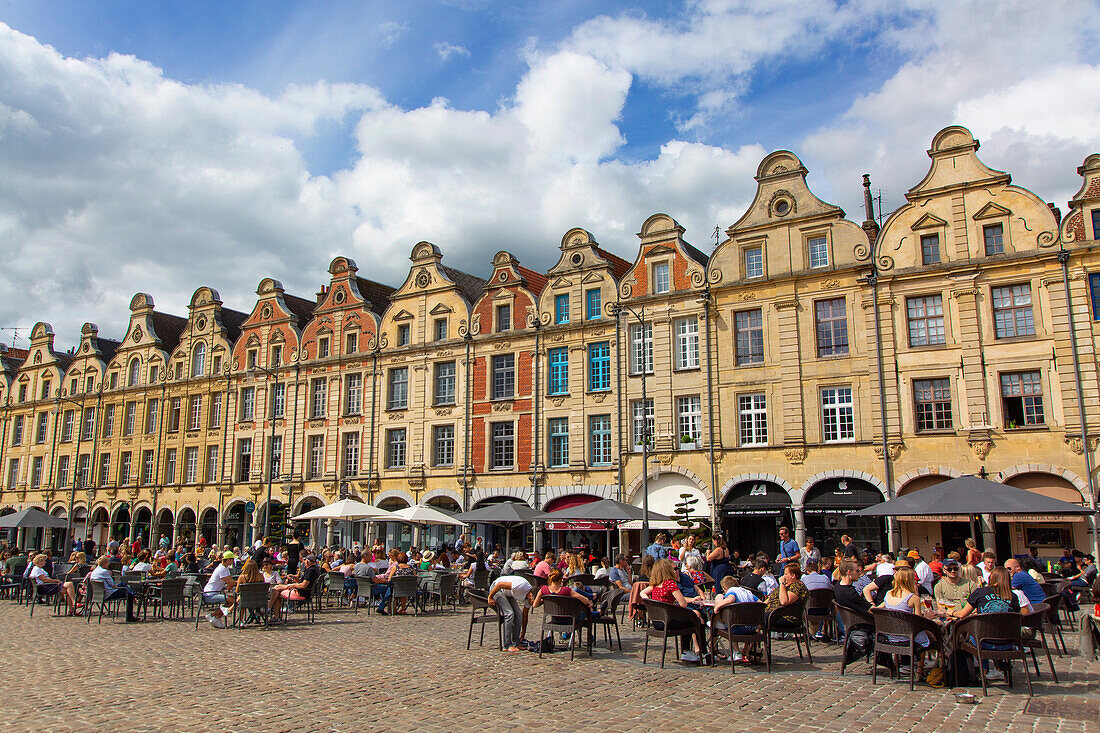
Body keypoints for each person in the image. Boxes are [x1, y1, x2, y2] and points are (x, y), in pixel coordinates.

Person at [953, 566, 1031, 681]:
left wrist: (951, 612)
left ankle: (983, 670)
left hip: (983, 643)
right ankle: (999, 667)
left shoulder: (980, 592)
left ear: (991, 577)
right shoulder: (1013, 597)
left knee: (977, 632)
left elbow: (962, 614)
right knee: (995, 630)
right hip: (1007, 642)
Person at [640, 559, 708, 663]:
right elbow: (683, 604)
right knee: (696, 620)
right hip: (669, 622)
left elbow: (642, 593)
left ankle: (688, 651)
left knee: (689, 619)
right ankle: (698, 651)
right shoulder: (670, 584)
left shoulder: (656, 585)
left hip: (657, 622)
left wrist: (649, 601)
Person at [875, 566, 933, 675]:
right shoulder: (913, 598)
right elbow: (918, 621)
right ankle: (921, 667)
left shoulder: (888, 594)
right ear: (908, 580)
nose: (916, 580)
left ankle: (905, 665)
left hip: (890, 636)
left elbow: (879, 609)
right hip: (907, 637)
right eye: (914, 578)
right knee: (930, 634)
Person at [713, 576, 762, 661]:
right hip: (752, 628)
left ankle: (736, 652)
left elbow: (730, 600)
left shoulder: (732, 591)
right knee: (737, 621)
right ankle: (746, 649)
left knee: (730, 622)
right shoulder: (747, 592)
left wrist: (717, 606)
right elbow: (760, 603)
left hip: (737, 629)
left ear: (725, 588)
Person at [487, 574, 536, 652]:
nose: (532, 604)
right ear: (531, 595)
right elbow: (499, 585)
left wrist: (523, 633)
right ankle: (507, 645)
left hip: (508, 593)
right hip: (497, 589)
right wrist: (490, 597)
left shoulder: (529, 599)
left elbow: (524, 615)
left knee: (518, 614)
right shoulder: (521, 586)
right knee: (509, 614)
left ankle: (516, 642)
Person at [87, 555, 139, 621]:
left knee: (123, 584)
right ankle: (129, 616)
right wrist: (118, 588)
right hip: (108, 593)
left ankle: (134, 593)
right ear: (105, 563)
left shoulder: (95, 571)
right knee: (129, 595)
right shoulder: (104, 572)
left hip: (99, 593)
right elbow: (112, 585)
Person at [203, 551, 239, 628]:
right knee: (234, 601)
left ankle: (216, 617)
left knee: (232, 602)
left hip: (214, 593)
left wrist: (232, 583)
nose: (233, 561)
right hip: (210, 594)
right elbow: (231, 583)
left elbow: (230, 582)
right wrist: (239, 581)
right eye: (232, 559)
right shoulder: (221, 569)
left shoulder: (225, 568)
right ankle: (213, 615)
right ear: (228, 560)